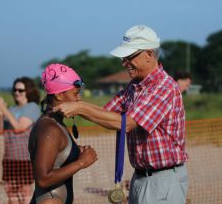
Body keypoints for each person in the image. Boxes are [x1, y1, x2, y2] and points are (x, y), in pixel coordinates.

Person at [54, 25, 188, 204]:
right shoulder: (134, 86)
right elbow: (106, 113)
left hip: (162, 180)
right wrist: (73, 102)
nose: (124, 63)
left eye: (129, 56)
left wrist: (80, 108)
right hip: (140, 177)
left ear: (149, 54)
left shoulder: (164, 88)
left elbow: (127, 123)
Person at [28, 63, 98, 204]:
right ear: (59, 95)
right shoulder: (49, 129)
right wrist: (81, 163)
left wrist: (75, 152)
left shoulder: (56, 123)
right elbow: (43, 179)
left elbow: (57, 160)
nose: (79, 99)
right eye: (75, 93)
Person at [0, 77, 41, 204]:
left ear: (28, 91)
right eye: (14, 90)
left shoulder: (32, 107)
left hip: (25, 157)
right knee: (10, 191)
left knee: (25, 190)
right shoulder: (12, 109)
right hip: (9, 157)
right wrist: (1, 114)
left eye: (20, 90)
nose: (17, 93)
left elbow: (19, 127)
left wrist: (4, 109)